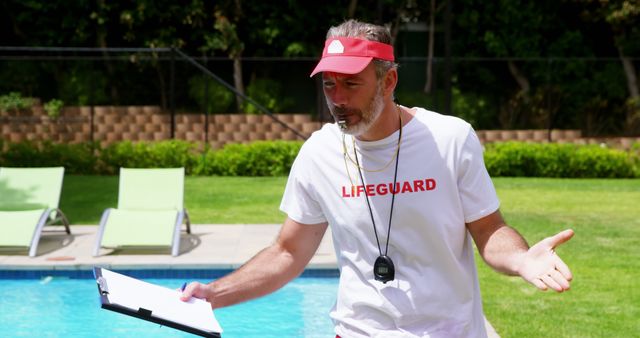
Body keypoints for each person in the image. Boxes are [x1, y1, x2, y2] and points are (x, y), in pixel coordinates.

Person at [181, 19, 574, 337]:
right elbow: (288, 252)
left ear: (389, 82)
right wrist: (214, 294)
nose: (337, 99)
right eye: (329, 83)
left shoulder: (450, 139)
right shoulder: (319, 153)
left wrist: (521, 258)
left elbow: (489, 229)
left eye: (352, 83)